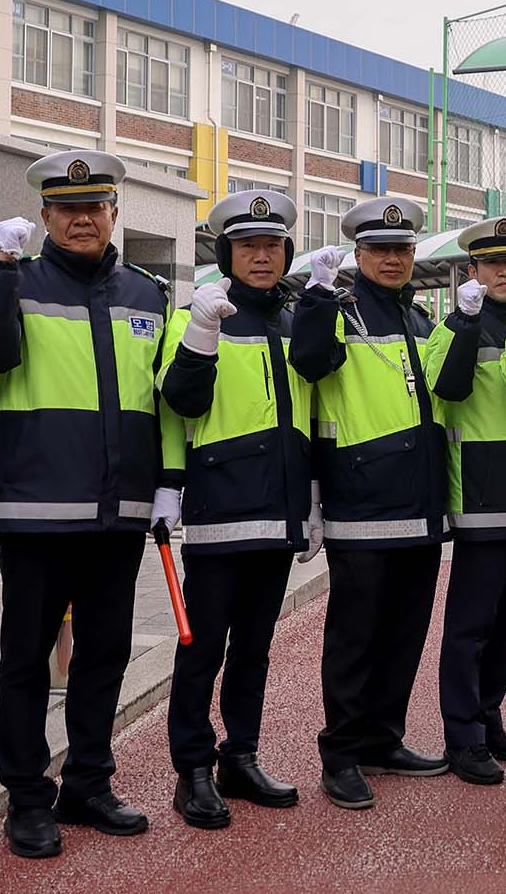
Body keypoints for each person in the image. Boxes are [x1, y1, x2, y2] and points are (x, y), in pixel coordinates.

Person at [0, 151, 177, 859]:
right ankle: (25, 796)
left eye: (96, 206)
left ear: (114, 212)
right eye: (68, 208)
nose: (83, 218)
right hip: (38, 508)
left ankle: (88, 781)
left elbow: (164, 401)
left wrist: (168, 483)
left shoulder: (147, 293)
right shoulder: (15, 279)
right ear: (46, 216)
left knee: (104, 655)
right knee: (25, 657)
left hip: (120, 512)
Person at [158, 189, 315, 829]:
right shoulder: (199, 314)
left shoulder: (292, 319)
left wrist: (312, 501)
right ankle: (191, 771)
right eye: (247, 245)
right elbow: (181, 404)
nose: (260, 256)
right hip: (221, 510)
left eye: (271, 245)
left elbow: (307, 416)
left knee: (255, 648)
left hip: (278, 513)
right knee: (204, 650)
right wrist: (201, 334)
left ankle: (239, 756)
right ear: (226, 253)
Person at [288, 196, 451, 808]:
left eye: (402, 250)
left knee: (405, 632)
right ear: (358, 254)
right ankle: (342, 752)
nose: (392, 259)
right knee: (355, 635)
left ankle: (384, 737)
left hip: (420, 503)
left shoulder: (420, 321)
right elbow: (309, 362)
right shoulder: (342, 313)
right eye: (380, 250)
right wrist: (317, 298)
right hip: (360, 502)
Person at [423, 216, 506, 786]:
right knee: (470, 627)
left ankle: (489, 717)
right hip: (479, 498)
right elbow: (447, 389)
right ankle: (462, 735)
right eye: (493, 264)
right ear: (472, 272)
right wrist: (468, 322)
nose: (505, 272)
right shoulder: (453, 325)